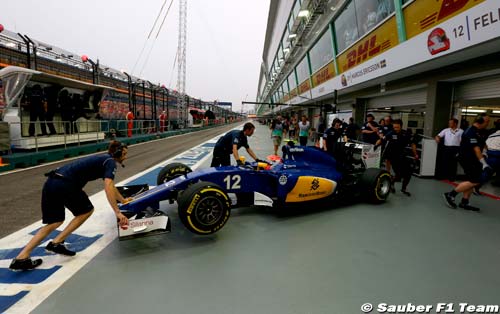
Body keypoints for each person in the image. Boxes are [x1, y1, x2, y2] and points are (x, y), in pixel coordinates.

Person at [9, 140, 131, 271]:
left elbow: (111, 186)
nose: (125, 156)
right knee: (86, 211)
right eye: (124, 154)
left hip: (51, 182)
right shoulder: (110, 162)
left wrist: (123, 200)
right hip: (67, 184)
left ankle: (21, 258)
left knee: (54, 222)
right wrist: (117, 211)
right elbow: (108, 187)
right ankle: (56, 243)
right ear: (117, 153)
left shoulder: (103, 159)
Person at [443, 114, 491, 211]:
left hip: (473, 159)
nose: (488, 123)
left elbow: (483, 144)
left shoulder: (480, 132)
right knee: (475, 180)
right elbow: (477, 150)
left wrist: (485, 152)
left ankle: (464, 202)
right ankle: (450, 194)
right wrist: (484, 164)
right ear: (481, 122)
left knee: (471, 180)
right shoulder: (470, 132)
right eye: (487, 121)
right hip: (468, 159)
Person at [376, 119, 418, 196]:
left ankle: (403, 189)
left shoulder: (406, 133)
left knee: (408, 174)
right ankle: (391, 182)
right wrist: (374, 146)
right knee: (399, 175)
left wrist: (415, 154)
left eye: (397, 127)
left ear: (401, 126)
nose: (395, 129)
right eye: (394, 127)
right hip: (393, 156)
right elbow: (382, 140)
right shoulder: (391, 133)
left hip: (402, 155)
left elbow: (412, 144)